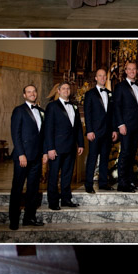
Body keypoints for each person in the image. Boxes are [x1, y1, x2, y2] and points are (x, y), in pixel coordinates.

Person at [9, 84, 45, 229]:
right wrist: (21, 154)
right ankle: (14, 219)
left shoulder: (42, 111)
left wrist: (43, 153)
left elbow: (43, 136)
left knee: (33, 189)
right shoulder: (19, 110)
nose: (32, 94)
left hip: (36, 157)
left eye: (34, 91)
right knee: (17, 188)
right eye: (28, 92)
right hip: (22, 157)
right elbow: (15, 134)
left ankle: (29, 218)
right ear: (24, 95)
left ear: (36, 94)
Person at [43, 82, 83, 210]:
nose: (66, 90)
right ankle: (53, 201)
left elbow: (77, 128)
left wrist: (80, 143)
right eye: (63, 89)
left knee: (67, 174)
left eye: (68, 88)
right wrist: (50, 148)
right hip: (56, 148)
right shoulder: (52, 106)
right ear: (58, 91)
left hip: (71, 147)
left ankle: (66, 199)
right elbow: (48, 129)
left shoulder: (74, 106)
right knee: (54, 175)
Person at [82, 68, 117, 193]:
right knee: (92, 158)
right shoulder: (90, 94)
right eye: (100, 76)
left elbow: (112, 114)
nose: (102, 78)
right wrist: (89, 130)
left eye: (104, 76)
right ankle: (89, 184)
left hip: (107, 132)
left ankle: (103, 183)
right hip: (95, 132)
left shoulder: (110, 93)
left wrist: (114, 130)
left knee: (105, 158)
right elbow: (88, 113)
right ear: (96, 78)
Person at [112, 62, 138, 193]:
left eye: (134, 69)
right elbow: (117, 107)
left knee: (132, 154)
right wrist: (120, 124)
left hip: (136, 126)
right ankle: (122, 183)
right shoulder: (120, 87)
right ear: (125, 71)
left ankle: (130, 181)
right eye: (129, 69)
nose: (132, 71)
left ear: (137, 71)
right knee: (125, 153)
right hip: (125, 126)